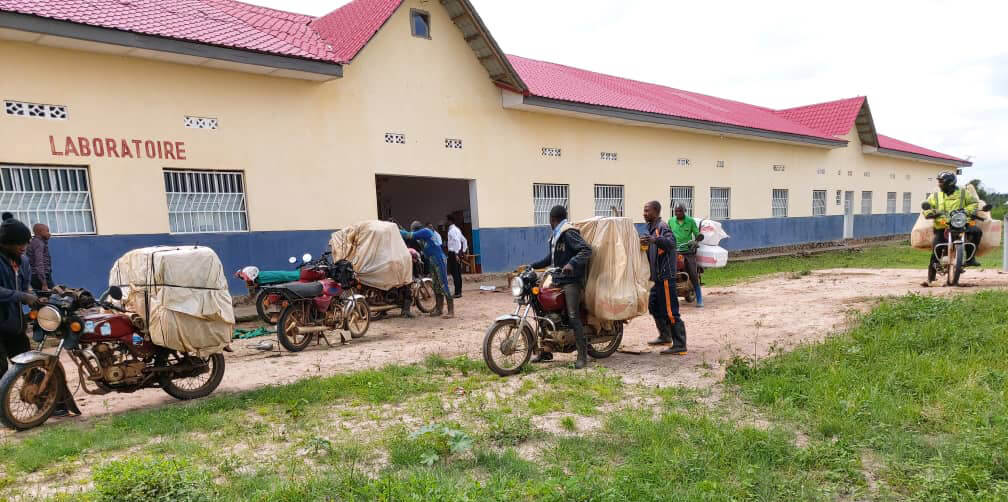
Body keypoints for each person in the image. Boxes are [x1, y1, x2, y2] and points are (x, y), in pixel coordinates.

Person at [528, 205, 592, 369]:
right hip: (558, 278)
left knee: (572, 315)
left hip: (572, 280)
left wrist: (572, 263)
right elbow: (551, 258)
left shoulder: (568, 232)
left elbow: (586, 250)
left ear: (552, 219)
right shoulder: (556, 235)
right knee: (542, 311)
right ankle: (546, 351)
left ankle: (583, 356)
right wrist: (531, 266)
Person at [921, 171, 983, 286]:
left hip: (962, 222)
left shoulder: (963, 193)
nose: (939, 184)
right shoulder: (936, 195)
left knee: (977, 231)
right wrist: (930, 212)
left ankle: (971, 258)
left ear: (950, 183)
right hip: (943, 225)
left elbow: (973, 203)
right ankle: (930, 278)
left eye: (941, 182)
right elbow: (927, 206)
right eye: (939, 182)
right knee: (937, 247)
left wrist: (966, 211)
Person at [641, 201, 687, 355]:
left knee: (670, 311)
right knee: (653, 305)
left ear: (655, 211)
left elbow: (671, 243)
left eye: (647, 211)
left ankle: (680, 344)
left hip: (666, 275)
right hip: (656, 278)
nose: (644, 213)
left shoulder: (663, 226)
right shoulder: (650, 228)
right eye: (644, 210)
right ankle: (665, 336)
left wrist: (655, 240)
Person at [401, 221, 454, 319]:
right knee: (436, 285)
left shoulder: (425, 231)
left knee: (443, 283)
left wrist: (396, 230)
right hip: (432, 260)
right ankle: (439, 309)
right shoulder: (422, 236)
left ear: (417, 229)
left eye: (413, 230)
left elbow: (409, 235)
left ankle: (451, 311)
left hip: (439, 259)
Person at [668, 204, 705, 307]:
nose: (678, 213)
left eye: (680, 211)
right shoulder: (671, 221)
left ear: (685, 211)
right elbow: (668, 234)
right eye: (676, 211)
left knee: (693, 273)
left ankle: (699, 299)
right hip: (674, 251)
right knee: (668, 273)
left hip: (688, 251)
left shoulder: (690, 221)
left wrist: (697, 239)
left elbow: (697, 233)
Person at [445, 215, 468, 299]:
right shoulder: (457, 230)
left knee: (455, 273)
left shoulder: (452, 231)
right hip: (457, 253)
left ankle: (457, 292)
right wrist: (463, 251)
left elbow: (457, 241)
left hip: (453, 253)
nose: (446, 222)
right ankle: (459, 291)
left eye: (447, 221)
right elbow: (464, 240)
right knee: (458, 273)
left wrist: (456, 253)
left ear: (450, 221)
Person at [28, 223, 53, 291]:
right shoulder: (38, 243)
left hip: (38, 276)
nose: (49, 234)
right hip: (40, 277)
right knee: (53, 297)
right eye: (47, 231)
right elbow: (39, 263)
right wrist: (44, 283)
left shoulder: (37, 242)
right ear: (40, 232)